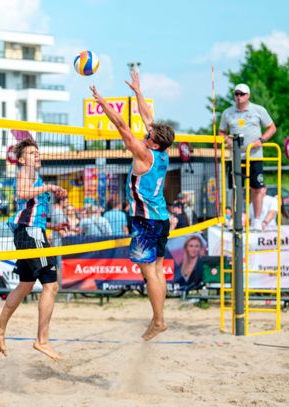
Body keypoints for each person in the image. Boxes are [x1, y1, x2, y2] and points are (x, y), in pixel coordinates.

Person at [90, 69, 175, 341]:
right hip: (161, 218)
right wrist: (138, 91)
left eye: (149, 135)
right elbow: (147, 116)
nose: (146, 134)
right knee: (157, 270)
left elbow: (121, 126)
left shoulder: (144, 153)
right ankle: (158, 319)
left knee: (149, 272)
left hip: (145, 221)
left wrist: (102, 102)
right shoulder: (163, 154)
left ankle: (159, 321)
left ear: (154, 143)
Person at [0, 138, 67, 361]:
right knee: (51, 285)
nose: (37, 155)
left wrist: (53, 226)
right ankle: (42, 340)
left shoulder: (33, 175)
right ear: (22, 160)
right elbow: (22, 193)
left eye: (37, 152)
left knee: (25, 285)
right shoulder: (26, 172)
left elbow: (30, 211)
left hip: (29, 233)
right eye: (32, 153)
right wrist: (49, 187)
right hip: (30, 235)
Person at [219, 83, 277, 231]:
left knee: (257, 189)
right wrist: (227, 140)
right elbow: (221, 132)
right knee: (236, 189)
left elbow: (272, 128)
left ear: (248, 95)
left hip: (254, 156)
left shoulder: (258, 110)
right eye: (236, 94)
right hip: (236, 157)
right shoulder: (227, 113)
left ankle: (257, 220)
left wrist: (261, 140)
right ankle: (236, 219)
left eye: (242, 94)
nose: (239, 97)